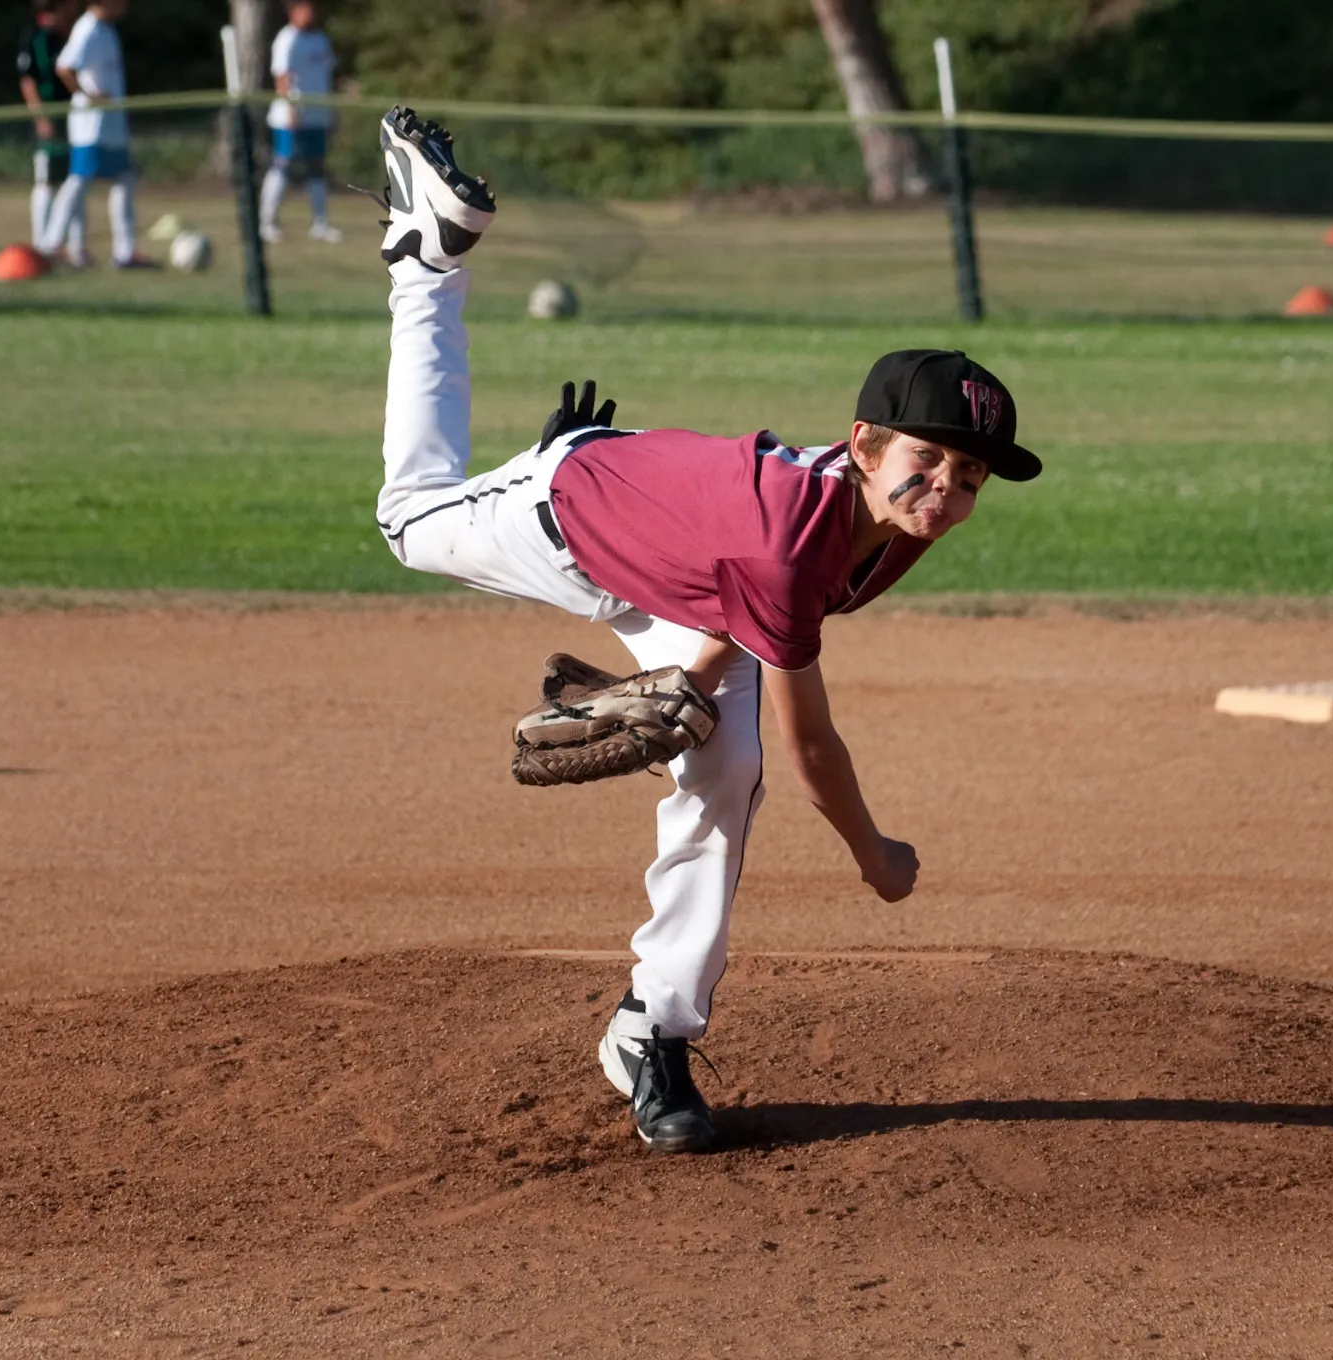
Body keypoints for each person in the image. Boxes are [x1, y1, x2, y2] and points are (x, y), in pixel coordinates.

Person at [371, 107, 1042, 1154]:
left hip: (678, 569)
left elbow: (748, 586)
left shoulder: (888, 516)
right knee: (408, 522)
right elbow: (811, 733)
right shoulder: (808, 536)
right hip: (568, 518)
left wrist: (686, 672)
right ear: (862, 443)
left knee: (723, 769)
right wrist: (874, 857)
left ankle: (652, 1030)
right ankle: (427, 259)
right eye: (929, 460)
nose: (946, 489)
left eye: (969, 477)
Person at [38, 0, 156, 268]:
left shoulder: (106, 29)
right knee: (79, 181)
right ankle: (51, 244)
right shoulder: (87, 29)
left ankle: (125, 253)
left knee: (124, 181)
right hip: (91, 125)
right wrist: (87, 95)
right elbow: (65, 67)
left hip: (112, 125)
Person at [260, 0, 342, 245]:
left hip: (318, 115)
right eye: (304, 8)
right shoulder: (286, 39)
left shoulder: (320, 40)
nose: (310, 13)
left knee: (316, 166)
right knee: (283, 163)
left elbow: (328, 74)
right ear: (293, 11)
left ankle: (320, 224)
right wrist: (290, 108)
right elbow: (282, 76)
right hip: (291, 117)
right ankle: (267, 221)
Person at [17, 0, 89, 262]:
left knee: (75, 179)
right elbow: (28, 80)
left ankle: (75, 247)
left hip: (73, 117)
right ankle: (42, 245)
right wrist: (41, 116)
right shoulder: (35, 38)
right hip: (50, 116)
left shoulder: (69, 36)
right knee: (46, 180)